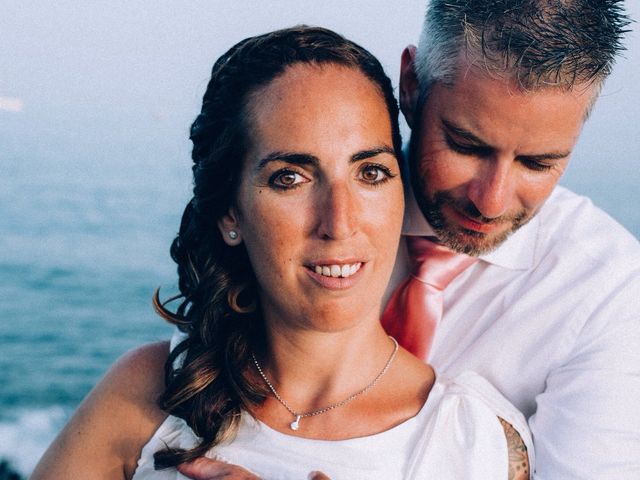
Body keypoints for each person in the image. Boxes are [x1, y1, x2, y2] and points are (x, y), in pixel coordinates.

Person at [31, 26, 533, 480]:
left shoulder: (477, 444)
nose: (339, 222)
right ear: (231, 213)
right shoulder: (150, 391)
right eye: (289, 178)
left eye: (370, 172)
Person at [180, 1, 640, 480]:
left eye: (537, 163)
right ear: (411, 85)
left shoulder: (611, 292)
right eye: (466, 145)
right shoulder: (290, 229)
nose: (491, 201)